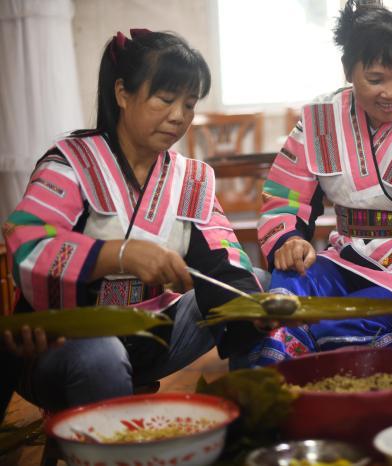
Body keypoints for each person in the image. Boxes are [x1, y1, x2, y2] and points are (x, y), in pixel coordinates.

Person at [1, 29, 263, 413]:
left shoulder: (191, 178)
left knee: (258, 295)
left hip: (153, 338)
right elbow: (28, 243)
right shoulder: (70, 164)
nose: (179, 117)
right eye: (166, 99)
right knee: (100, 353)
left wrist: (255, 306)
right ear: (123, 93)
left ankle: (256, 416)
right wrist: (117, 255)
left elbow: (225, 258)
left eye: (189, 104)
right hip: (61, 345)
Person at [241, 0, 392, 367]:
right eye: (375, 80)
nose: (390, 92)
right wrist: (288, 240)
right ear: (349, 72)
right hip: (342, 258)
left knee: (350, 331)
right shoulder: (320, 119)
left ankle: (302, 351)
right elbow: (284, 196)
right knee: (281, 297)